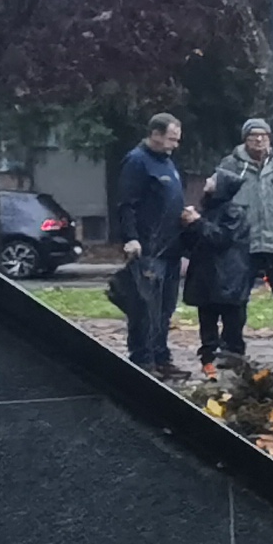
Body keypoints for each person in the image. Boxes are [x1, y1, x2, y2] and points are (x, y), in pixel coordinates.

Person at [214, 117, 273, 365]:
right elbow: (218, 202)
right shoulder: (230, 165)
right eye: (253, 135)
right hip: (242, 245)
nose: (258, 139)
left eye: (263, 135)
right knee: (236, 299)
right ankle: (232, 350)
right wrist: (229, 234)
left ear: (269, 138)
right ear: (245, 139)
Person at [110, 112, 188, 376]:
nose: (175, 144)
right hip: (148, 248)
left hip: (170, 248)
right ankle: (143, 360)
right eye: (171, 139)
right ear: (155, 134)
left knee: (165, 309)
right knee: (145, 308)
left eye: (177, 139)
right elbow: (126, 204)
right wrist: (130, 238)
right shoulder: (137, 161)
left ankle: (161, 357)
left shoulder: (167, 162)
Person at [180, 165, 255, 372]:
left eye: (212, 179)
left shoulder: (234, 212)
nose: (207, 181)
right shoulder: (208, 210)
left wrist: (197, 223)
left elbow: (220, 238)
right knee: (207, 324)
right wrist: (188, 227)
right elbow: (195, 242)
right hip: (207, 277)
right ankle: (209, 361)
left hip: (228, 278)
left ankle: (232, 360)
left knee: (232, 325)